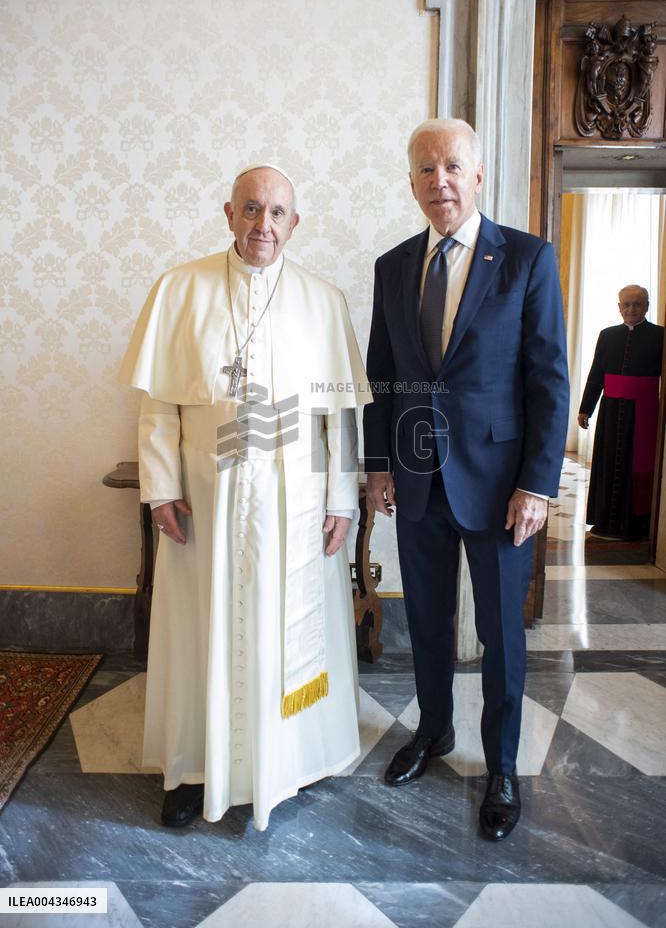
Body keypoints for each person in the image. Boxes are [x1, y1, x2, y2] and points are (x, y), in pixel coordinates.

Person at [119, 163, 369, 830]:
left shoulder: (324, 300)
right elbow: (156, 407)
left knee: (287, 628)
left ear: (295, 223)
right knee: (201, 627)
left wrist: (343, 499)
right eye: (251, 209)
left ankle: (289, 759)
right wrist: (160, 489)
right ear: (228, 214)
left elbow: (341, 417)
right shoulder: (179, 289)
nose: (265, 225)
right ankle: (192, 767)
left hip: (296, 505)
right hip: (204, 500)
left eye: (278, 213)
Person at [363, 118, 569, 841]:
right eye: (424, 169)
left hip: (502, 486)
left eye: (452, 166)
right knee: (424, 622)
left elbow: (548, 380)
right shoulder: (392, 266)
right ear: (412, 181)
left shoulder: (527, 259)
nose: (438, 180)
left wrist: (538, 485)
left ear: (478, 175)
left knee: (501, 636)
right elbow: (381, 378)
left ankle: (503, 766)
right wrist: (379, 464)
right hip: (417, 481)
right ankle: (434, 732)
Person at [578, 285, 663, 540]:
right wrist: (585, 409)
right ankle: (606, 521)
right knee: (608, 462)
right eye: (626, 304)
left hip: (645, 412)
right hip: (611, 411)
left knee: (639, 466)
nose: (631, 309)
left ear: (646, 306)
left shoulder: (661, 336)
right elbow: (596, 375)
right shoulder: (607, 335)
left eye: (637, 304)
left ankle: (638, 525)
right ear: (619, 307)